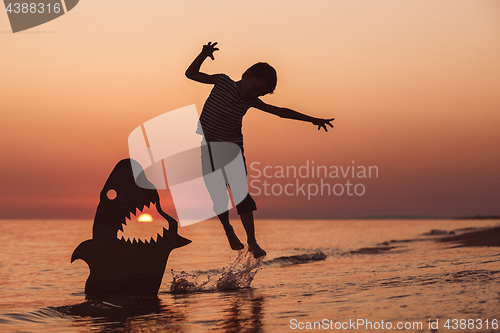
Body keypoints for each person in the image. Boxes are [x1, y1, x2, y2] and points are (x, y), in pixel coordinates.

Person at [186, 41, 334, 258]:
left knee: (241, 194)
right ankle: (228, 230)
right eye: (255, 89)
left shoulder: (250, 101)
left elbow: (280, 112)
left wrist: (312, 119)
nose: (254, 95)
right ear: (246, 75)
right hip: (207, 147)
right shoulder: (222, 81)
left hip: (232, 148)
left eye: (260, 94)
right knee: (218, 195)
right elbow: (191, 74)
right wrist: (202, 54)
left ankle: (252, 241)